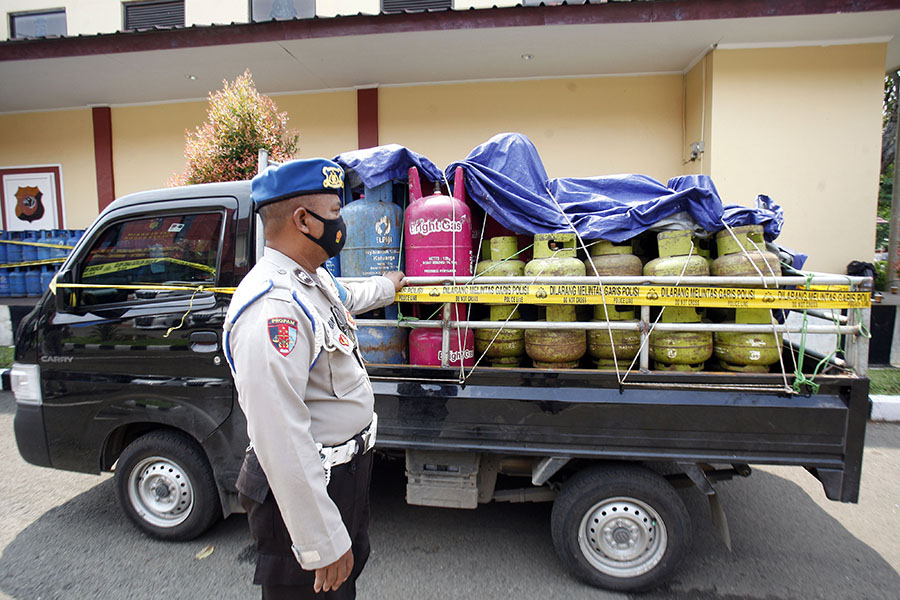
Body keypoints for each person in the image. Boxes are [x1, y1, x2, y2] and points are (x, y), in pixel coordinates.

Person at [224, 157, 404, 599]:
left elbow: (349, 296)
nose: (341, 224)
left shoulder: (311, 280)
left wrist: (390, 285)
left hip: (341, 475)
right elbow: (280, 436)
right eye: (335, 212)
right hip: (306, 486)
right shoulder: (273, 308)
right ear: (303, 220)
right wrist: (319, 541)